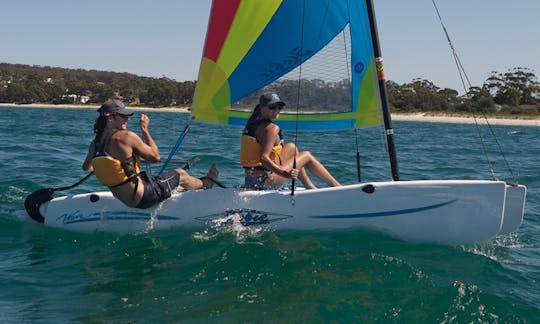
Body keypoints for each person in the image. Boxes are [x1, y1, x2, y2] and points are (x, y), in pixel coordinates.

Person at [82, 99, 218, 209]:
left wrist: (108, 168)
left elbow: (87, 167)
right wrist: (144, 130)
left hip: (125, 200)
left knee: (167, 182)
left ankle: (181, 190)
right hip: (144, 198)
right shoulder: (126, 137)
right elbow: (155, 157)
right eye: (123, 116)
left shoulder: (95, 144)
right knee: (180, 174)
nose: (127, 119)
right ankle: (207, 183)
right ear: (110, 118)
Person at [240, 92, 341, 190]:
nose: (276, 110)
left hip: (251, 181)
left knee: (292, 148)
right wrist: (284, 173)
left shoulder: (253, 124)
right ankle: (338, 187)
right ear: (262, 108)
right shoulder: (271, 128)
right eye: (272, 107)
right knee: (307, 155)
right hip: (265, 181)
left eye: (279, 107)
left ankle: (309, 186)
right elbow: (264, 158)